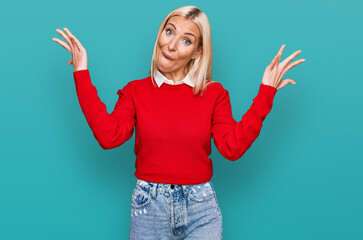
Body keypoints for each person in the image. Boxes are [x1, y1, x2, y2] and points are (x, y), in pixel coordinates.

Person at [52, 5, 305, 240]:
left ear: (197, 52)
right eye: (169, 31)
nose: (171, 45)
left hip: (201, 207)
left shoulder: (214, 94)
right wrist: (81, 72)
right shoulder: (135, 91)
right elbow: (109, 136)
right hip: (148, 207)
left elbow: (232, 148)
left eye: (186, 40)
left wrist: (266, 92)